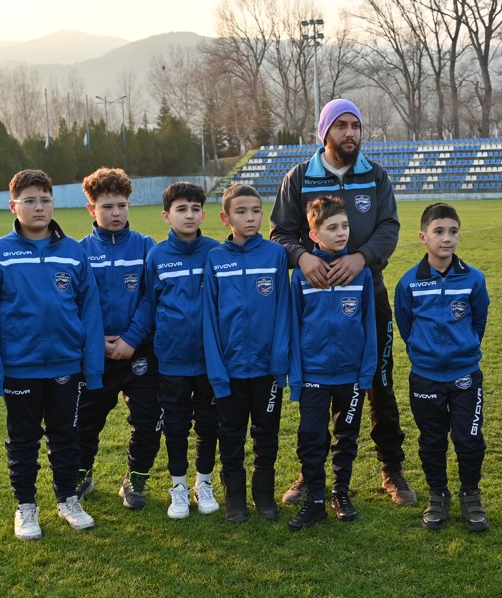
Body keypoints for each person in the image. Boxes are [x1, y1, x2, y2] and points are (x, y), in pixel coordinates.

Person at [270, 98, 413, 506]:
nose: (350, 133)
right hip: (315, 303)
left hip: (367, 297)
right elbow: (280, 233)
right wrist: (303, 258)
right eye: (341, 125)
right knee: (316, 390)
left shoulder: (375, 176)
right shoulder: (299, 177)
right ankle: (310, 474)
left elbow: (389, 227)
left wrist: (361, 258)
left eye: (356, 126)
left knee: (379, 382)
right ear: (325, 132)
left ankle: (392, 468)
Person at [0, 169, 104, 540]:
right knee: (23, 440)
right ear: (13, 206)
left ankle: (68, 500)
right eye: (29, 201)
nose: (39, 207)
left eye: (45, 200)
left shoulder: (73, 251)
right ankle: (26, 507)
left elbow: (90, 312)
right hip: (19, 368)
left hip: (66, 366)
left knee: (66, 436)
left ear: (53, 203)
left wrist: (93, 368)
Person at [114, 182, 220, 519]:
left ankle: (204, 484)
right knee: (175, 425)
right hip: (171, 359)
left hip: (209, 360)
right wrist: (131, 339)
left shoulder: (215, 253)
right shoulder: (157, 256)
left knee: (208, 423)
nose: (189, 215)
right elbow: (148, 303)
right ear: (166, 216)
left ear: (203, 214)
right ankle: (178, 487)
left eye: (195, 209)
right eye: (181, 209)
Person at [395, 203, 491, 532]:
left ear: (459, 235)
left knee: (469, 440)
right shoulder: (409, 283)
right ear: (423, 237)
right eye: (438, 231)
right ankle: (438, 496)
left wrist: (465, 347)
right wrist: (423, 352)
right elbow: (406, 326)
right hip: (425, 376)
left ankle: (471, 496)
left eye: (452, 231)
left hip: (466, 375)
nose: (446, 238)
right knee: (432, 440)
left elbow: (479, 321)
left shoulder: (474, 278)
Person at [287, 196, 377, 530]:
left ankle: (340, 492)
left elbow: (369, 325)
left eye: (345, 226)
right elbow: (294, 327)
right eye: (332, 227)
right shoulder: (302, 276)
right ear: (314, 234)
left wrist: (365, 373)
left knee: (346, 435)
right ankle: (315, 499)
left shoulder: (361, 274)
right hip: (313, 373)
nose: (341, 233)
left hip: (350, 375)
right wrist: (297, 375)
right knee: (310, 435)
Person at [203, 183, 290, 523]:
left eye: (255, 211)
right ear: (226, 218)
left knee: (266, 433)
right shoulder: (215, 259)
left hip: (267, 370)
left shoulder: (275, 255)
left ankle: (264, 495)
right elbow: (210, 319)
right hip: (230, 370)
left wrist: (278, 360)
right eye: (241, 211)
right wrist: (218, 369)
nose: (250, 217)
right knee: (231, 434)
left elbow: (283, 310)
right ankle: (235, 498)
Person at [76, 167, 162, 510]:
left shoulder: (146, 247)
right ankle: (82, 475)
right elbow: (76, 304)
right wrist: (95, 341)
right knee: (85, 421)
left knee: (148, 418)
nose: (116, 213)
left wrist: (131, 339)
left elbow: (152, 299)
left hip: (138, 352)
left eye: (122, 205)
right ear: (91, 209)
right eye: (107, 206)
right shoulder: (78, 252)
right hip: (94, 354)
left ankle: (136, 479)